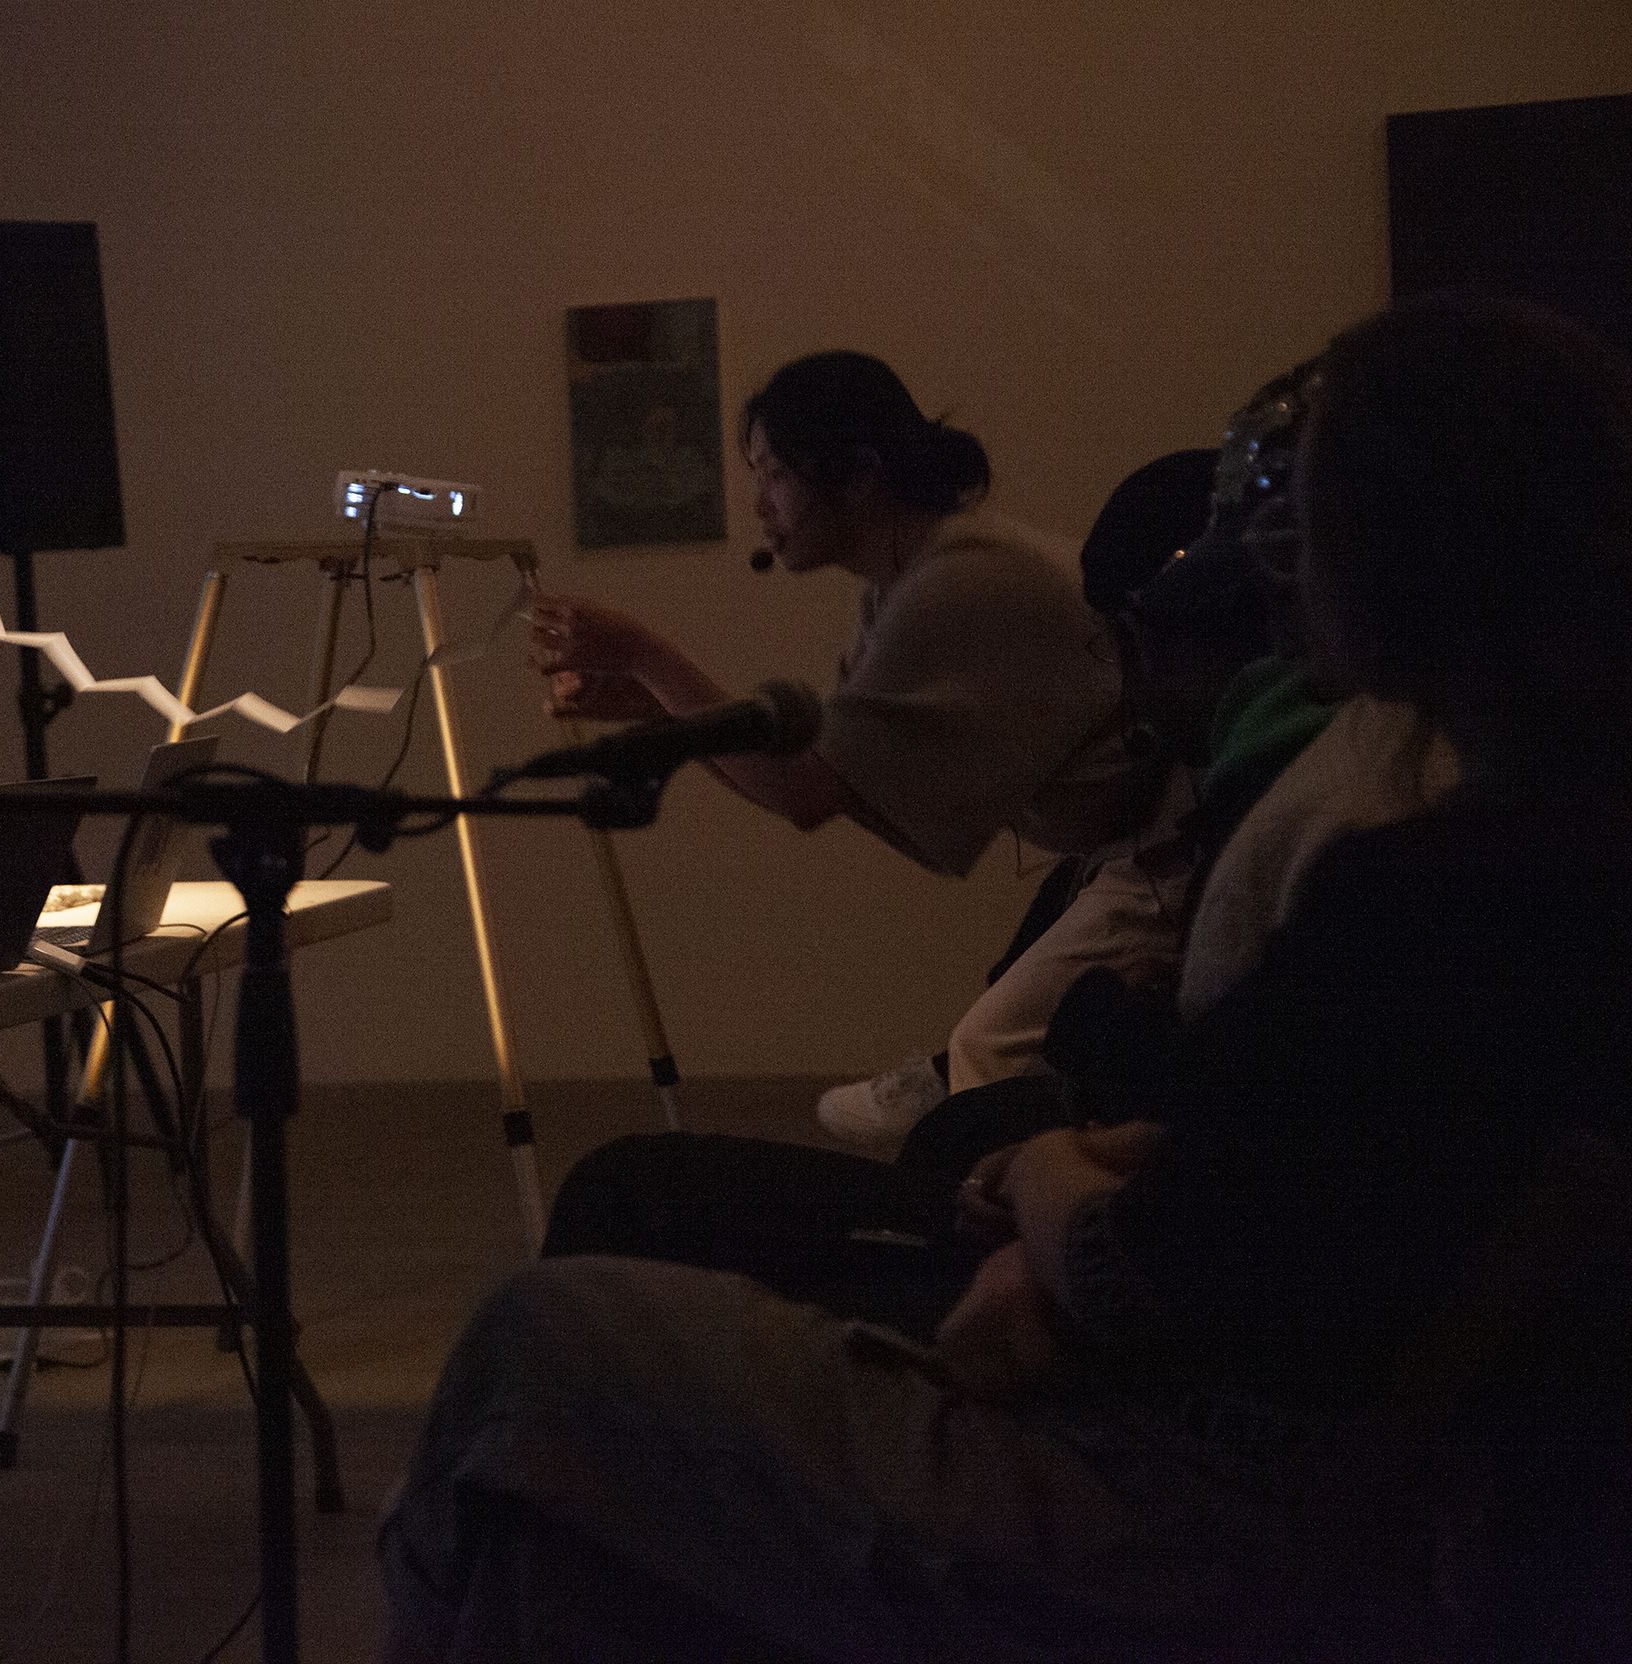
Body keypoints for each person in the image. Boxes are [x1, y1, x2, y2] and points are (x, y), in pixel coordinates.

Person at [382, 293, 1632, 1663]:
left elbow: (1146, 1259)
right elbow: (1303, 1152)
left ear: (1389, 552)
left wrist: (1049, 1179)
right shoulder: (1546, 851)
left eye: (1305, 512)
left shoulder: (1421, 889)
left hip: (1169, 1512)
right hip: (1270, 1458)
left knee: (531, 1336)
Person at [529, 351, 1149, 1146]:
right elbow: (827, 783)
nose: (759, 504)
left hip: (1169, 853)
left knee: (989, 1053)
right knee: (992, 1047)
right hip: (1126, 851)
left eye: (776, 474)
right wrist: (658, 706)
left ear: (858, 474)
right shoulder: (913, 578)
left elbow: (806, 789)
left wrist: (650, 658)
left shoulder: (957, 580)